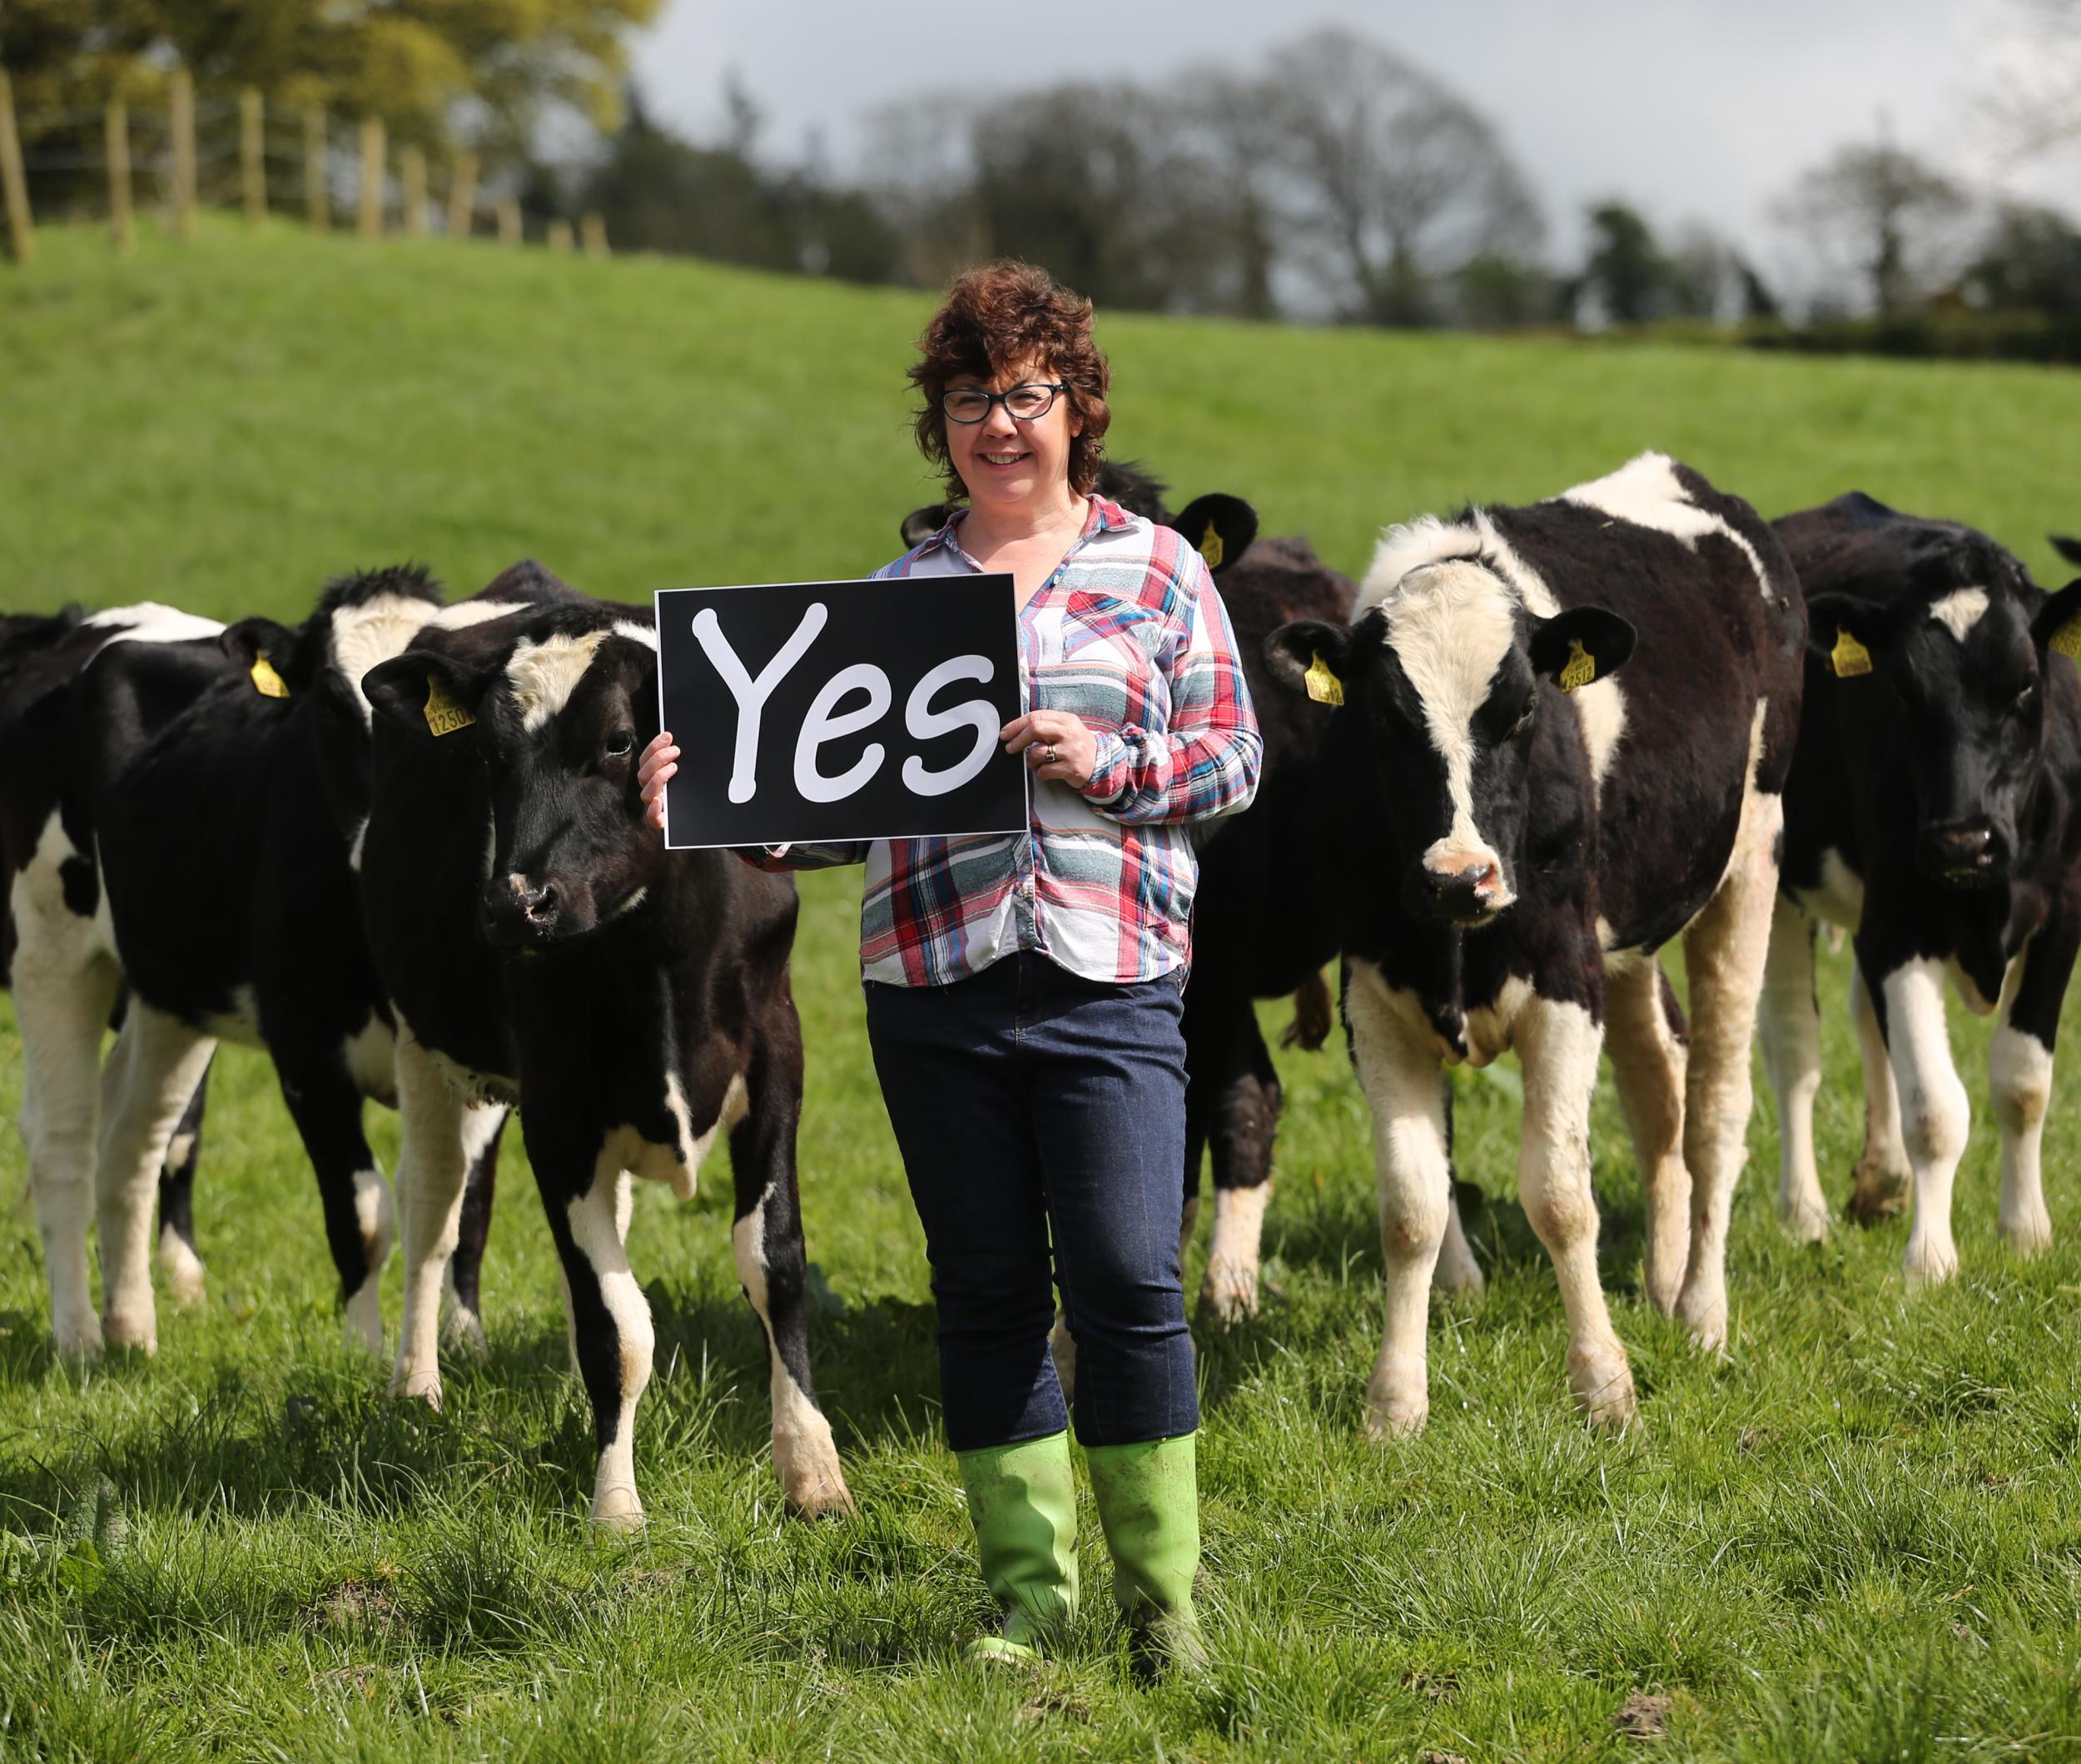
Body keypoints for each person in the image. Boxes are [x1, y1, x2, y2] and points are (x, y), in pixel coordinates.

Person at [638, 260, 1262, 1677]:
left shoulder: (1160, 570)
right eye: (974, 399)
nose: (1001, 424)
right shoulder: (901, 597)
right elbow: (833, 814)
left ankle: (1164, 1611)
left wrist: (1106, 761)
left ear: (1078, 409)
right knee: (983, 1290)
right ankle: (1029, 1609)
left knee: (1125, 1275)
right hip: (935, 983)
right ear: (946, 423)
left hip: (1112, 974)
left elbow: (1235, 761)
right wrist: (710, 803)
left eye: (1027, 396)